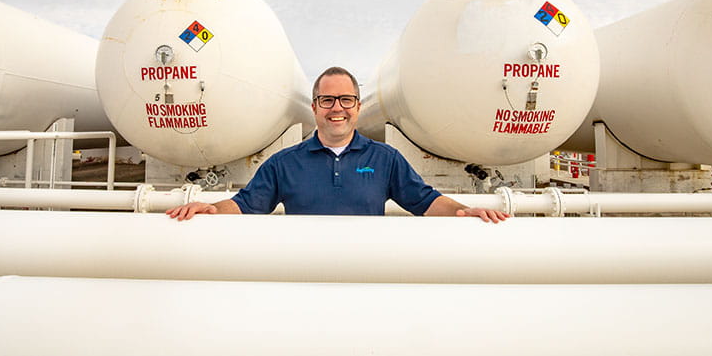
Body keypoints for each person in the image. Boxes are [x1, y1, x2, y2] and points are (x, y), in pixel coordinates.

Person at [166, 66, 510, 223]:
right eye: (327, 100)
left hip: (364, 274)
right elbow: (245, 205)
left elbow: (424, 201)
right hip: (302, 275)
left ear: (358, 107)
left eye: (346, 100)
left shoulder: (385, 159)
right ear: (314, 107)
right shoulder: (284, 163)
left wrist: (465, 210)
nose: (337, 109)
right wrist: (210, 209)